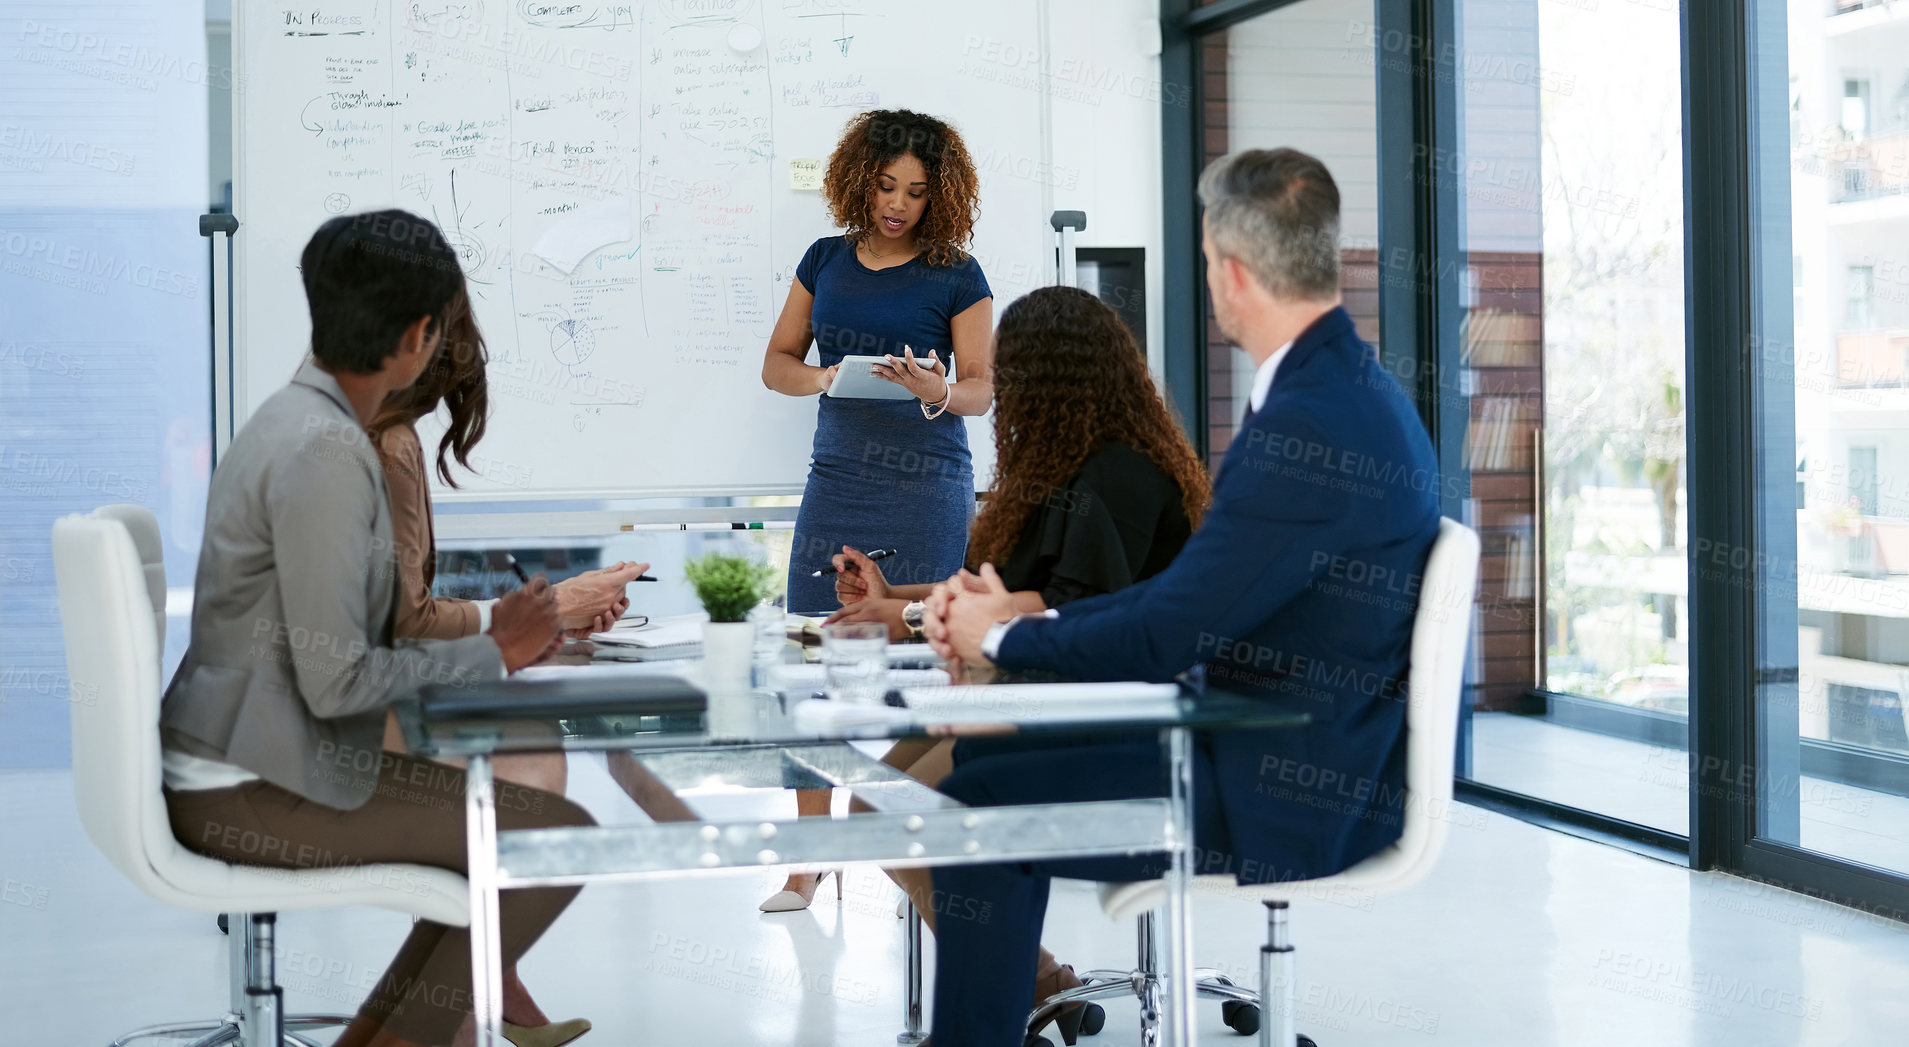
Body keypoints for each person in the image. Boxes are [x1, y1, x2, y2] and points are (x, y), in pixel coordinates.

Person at [918, 149, 1443, 1046]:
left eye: (1205, 265)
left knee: (975, 805)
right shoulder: (1343, 389)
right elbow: (1182, 600)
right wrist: (1014, 623)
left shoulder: (1306, 422)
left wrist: (1003, 642)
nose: (1209, 284)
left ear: (1231, 272)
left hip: (1283, 784)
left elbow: (1168, 626)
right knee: (976, 781)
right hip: (1277, 744)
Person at [158, 209, 594, 1047]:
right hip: (250, 783)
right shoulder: (328, 452)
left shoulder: (294, 420)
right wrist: (495, 649)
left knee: (496, 847)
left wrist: (486, 647)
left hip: (241, 755)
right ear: (420, 336)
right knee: (551, 842)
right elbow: (337, 682)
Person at [761, 287, 1212, 1044]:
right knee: (877, 811)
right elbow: (987, 591)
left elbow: (1073, 603)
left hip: (1103, 715)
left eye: (1009, 369)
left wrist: (907, 614)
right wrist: (890, 595)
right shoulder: (1058, 467)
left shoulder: (1122, 473)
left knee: (918, 812)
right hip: (1031, 691)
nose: (996, 386)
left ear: (1052, 375)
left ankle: (1022, 993)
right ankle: (1041, 983)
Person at [368, 283, 645, 1047]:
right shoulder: (386, 443)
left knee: (520, 742)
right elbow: (398, 625)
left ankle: (485, 976)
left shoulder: (380, 432)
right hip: (316, 727)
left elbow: (395, 620)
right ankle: (485, 973)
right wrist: (546, 609)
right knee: (525, 764)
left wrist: (531, 631)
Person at [762, 108, 994, 614]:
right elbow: (776, 366)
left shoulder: (958, 272)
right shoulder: (823, 259)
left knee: (920, 647)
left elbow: (981, 391)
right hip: (836, 484)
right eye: (886, 187)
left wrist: (940, 392)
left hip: (927, 491)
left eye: (916, 192)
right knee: (817, 638)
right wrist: (828, 377)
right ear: (860, 180)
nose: (898, 205)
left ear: (938, 196)